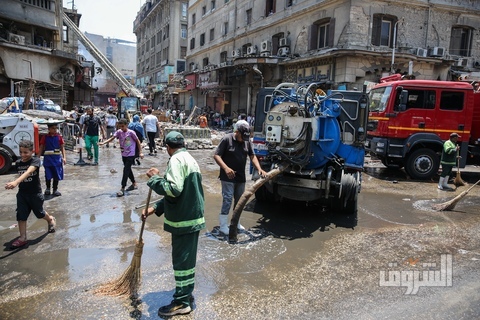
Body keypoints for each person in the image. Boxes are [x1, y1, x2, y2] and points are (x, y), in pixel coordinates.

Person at [142, 131, 205, 317]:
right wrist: (155, 208)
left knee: (181, 262)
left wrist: (154, 179)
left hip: (184, 220)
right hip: (191, 217)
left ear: (168, 147)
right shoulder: (189, 158)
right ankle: (186, 294)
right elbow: (183, 192)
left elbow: (173, 189)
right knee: (186, 260)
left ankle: (182, 302)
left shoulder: (176, 161)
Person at [213, 120, 267, 234]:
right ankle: (223, 225)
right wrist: (226, 168)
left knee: (240, 201)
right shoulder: (226, 139)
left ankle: (236, 223)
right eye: (242, 137)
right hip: (227, 176)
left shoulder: (246, 142)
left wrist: (259, 169)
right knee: (227, 199)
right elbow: (217, 155)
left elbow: (252, 156)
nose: (243, 140)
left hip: (240, 176)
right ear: (236, 132)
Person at [5, 140, 56, 249]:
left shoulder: (36, 161)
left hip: (35, 194)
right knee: (21, 215)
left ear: (32, 151)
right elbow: (20, 175)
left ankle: (50, 219)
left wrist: (16, 182)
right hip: (22, 194)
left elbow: (28, 172)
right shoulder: (18, 163)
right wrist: (12, 182)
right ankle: (22, 238)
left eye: (26, 152)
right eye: (21, 152)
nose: (23, 155)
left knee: (39, 213)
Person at [100, 118, 144, 197]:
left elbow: (138, 141)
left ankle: (122, 188)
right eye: (120, 127)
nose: (121, 128)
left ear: (126, 125)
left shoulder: (131, 133)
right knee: (128, 169)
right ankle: (134, 184)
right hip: (123, 154)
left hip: (131, 154)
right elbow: (112, 138)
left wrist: (140, 152)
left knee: (125, 170)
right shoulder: (119, 132)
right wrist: (104, 142)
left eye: (123, 126)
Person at [39, 123, 66, 196]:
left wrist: (64, 157)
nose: (54, 130)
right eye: (53, 128)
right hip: (48, 159)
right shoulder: (45, 137)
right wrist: (38, 157)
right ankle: (48, 188)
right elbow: (41, 147)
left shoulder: (59, 137)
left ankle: (55, 189)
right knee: (48, 173)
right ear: (49, 129)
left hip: (57, 159)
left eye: (55, 128)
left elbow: (62, 147)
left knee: (56, 174)